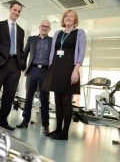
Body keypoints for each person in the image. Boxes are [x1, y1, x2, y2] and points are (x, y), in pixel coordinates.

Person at [42, 9, 86, 140]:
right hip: (56, 68)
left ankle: (65, 132)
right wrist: (50, 67)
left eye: (72, 16)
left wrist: (76, 70)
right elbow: (52, 52)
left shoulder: (79, 33)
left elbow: (82, 52)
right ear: (63, 19)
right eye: (67, 16)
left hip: (69, 69)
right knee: (57, 101)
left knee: (66, 101)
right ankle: (58, 129)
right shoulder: (57, 33)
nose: (69, 18)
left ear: (75, 20)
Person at [0, 1, 25, 131]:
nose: (16, 13)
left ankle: (3, 121)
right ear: (10, 9)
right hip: (1, 62)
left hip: (15, 66)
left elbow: (20, 49)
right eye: (15, 10)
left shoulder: (21, 31)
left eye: (19, 11)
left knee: (10, 95)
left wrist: (21, 64)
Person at [16, 19, 52, 135]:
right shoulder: (31, 39)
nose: (44, 28)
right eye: (43, 26)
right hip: (33, 70)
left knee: (45, 99)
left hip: (46, 72)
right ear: (39, 27)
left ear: (49, 29)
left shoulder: (52, 41)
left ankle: (45, 124)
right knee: (29, 97)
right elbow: (24, 55)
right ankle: (25, 121)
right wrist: (24, 68)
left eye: (47, 26)